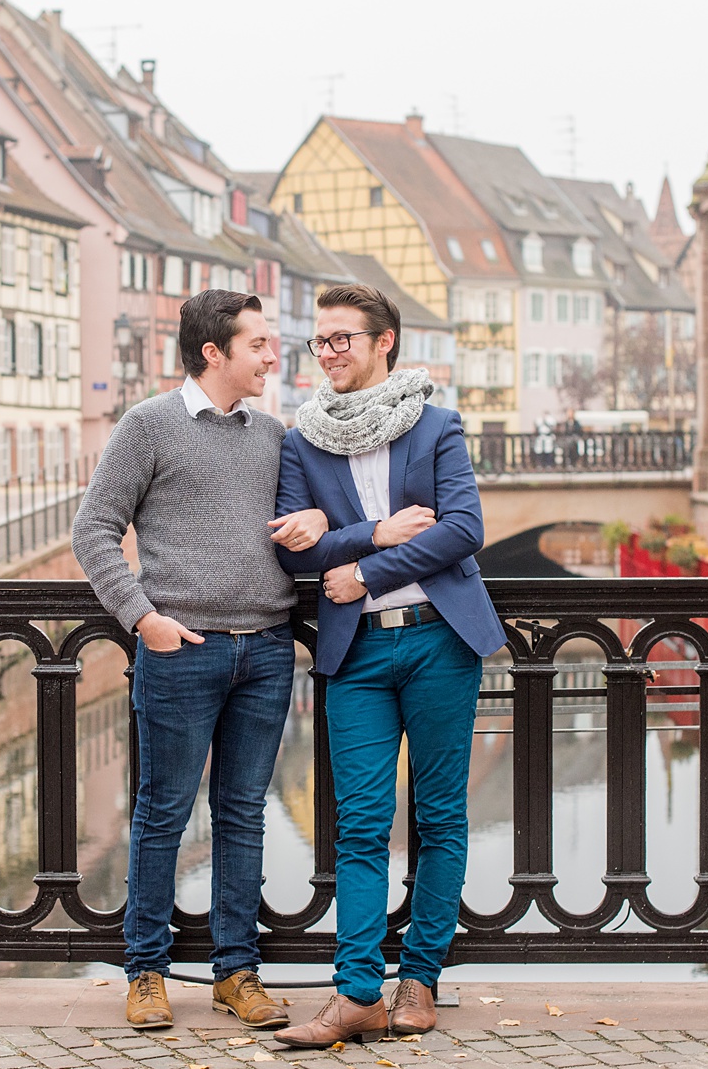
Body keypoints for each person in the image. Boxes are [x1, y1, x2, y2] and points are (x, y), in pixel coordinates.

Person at [71, 289, 329, 1031]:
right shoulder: (148, 426)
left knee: (243, 813)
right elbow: (94, 529)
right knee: (162, 815)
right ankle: (146, 971)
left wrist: (317, 518)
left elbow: (309, 519)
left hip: (268, 650)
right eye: (259, 344)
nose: (273, 356)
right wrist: (142, 616)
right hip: (181, 651)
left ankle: (236, 972)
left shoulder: (274, 432)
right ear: (214, 352)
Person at [269, 283, 505, 1048]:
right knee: (362, 823)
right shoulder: (299, 442)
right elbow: (295, 547)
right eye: (321, 341)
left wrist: (363, 567)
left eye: (344, 338)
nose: (330, 352)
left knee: (440, 818)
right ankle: (357, 992)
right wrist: (376, 531)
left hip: (439, 640)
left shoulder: (436, 425)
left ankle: (421, 980)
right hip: (357, 654)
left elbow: (464, 529)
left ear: (384, 342)